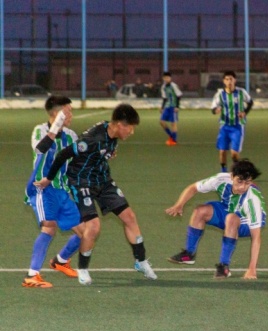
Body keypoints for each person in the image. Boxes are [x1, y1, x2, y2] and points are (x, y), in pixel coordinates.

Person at [34, 104, 157, 284]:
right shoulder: (91, 140)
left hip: (103, 180)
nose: (131, 132)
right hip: (81, 182)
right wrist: (49, 179)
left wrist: (108, 154)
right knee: (93, 227)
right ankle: (82, 268)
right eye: (130, 128)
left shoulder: (111, 132)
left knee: (129, 217)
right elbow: (62, 155)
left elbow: (105, 150)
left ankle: (141, 261)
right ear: (119, 125)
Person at [22, 96, 86, 288]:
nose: (71, 115)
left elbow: (79, 158)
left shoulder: (71, 136)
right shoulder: (39, 131)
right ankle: (32, 275)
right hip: (43, 188)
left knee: (86, 232)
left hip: (62, 190)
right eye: (67, 111)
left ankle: (60, 260)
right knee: (49, 227)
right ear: (55, 113)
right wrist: (54, 129)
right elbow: (41, 149)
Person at [166, 159, 265, 279]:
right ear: (231, 176)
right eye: (239, 181)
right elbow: (193, 188)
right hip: (228, 210)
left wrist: (252, 269)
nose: (243, 187)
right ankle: (188, 254)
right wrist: (179, 204)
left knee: (231, 219)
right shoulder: (220, 180)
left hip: (246, 222)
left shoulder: (252, 199)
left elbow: (256, 237)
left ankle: (224, 266)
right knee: (200, 211)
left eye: (247, 183)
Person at [210, 70, 254, 172]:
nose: (229, 81)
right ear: (223, 81)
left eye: (231, 79)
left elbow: (250, 102)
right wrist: (216, 110)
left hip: (237, 126)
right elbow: (213, 108)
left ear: (235, 80)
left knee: (234, 153)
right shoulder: (220, 94)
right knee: (222, 151)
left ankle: (237, 171)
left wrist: (245, 112)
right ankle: (223, 172)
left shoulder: (241, 92)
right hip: (224, 126)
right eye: (227, 79)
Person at [159, 71, 183, 146]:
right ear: (163, 78)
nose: (166, 79)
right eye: (165, 78)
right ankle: (172, 137)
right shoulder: (163, 87)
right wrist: (162, 107)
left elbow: (179, 96)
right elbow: (164, 98)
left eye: (168, 78)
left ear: (170, 78)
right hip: (167, 106)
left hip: (173, 106)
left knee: (173, 123)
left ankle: (173, 140)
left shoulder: (174, 86)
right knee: (161, 122)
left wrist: (177, 106)